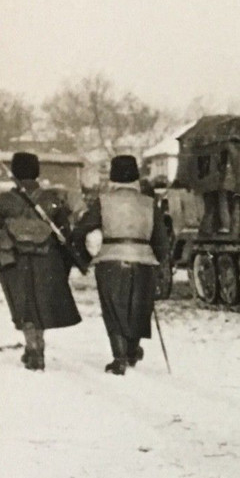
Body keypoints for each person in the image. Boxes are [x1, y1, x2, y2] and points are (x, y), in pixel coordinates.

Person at [72, 155, 169, 375]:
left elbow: (80, 231)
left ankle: (119, 357)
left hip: (110, 260)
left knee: (113, 308)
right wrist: (162, 262)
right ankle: (132, 352)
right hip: (143, 260)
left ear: (113, 176)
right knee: (138, 308)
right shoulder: (149, 203)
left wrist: (85, 260)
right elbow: (161, 241)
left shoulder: (103, 201)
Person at [0, 151, 81, 370]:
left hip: (14, 260)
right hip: (46, 258)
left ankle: (33, 348)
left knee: (24, 303)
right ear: (37, 171)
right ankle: (38, 345)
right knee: (41, 303)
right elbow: (65, 233)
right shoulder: (51, 199)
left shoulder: (5, 200)